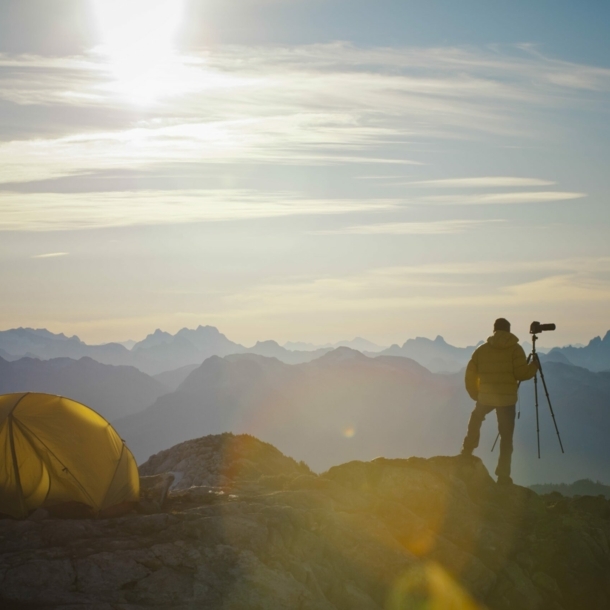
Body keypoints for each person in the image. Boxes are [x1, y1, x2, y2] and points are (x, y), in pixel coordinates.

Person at [461, 318, 538, 485]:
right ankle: (503, 476)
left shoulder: (481, 350)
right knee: (506, 437)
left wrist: (476, 394)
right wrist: (534, 367)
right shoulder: (515, 349)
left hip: (486, 397)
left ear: (494, 330)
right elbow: (522, 374)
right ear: (509, 331)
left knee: (476, 418)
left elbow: (470, 375)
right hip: (507, 401)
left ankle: (467, 451)